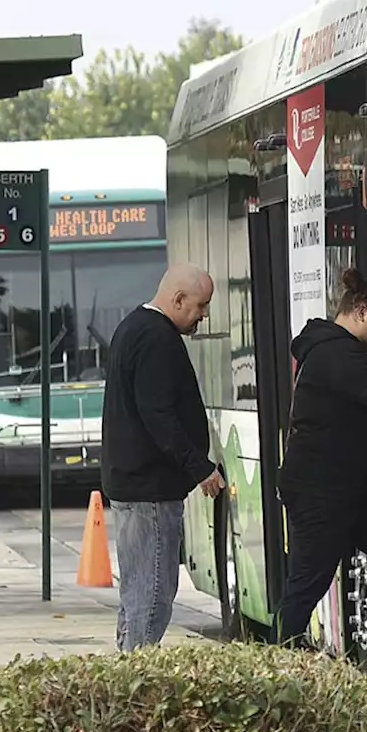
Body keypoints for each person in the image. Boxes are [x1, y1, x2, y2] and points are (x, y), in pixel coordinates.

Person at [276, 267, 367, 662]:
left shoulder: (334, 350)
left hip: (345, 488)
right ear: (362, 310)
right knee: (309, 577)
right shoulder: (338, 354)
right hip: (323, 490)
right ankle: (279, 653)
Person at [101, 262, 225, 652]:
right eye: (200, 306)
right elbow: (159, 415)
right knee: (153, 593)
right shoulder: (157, 337)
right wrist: (199, 466)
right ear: (178, 299)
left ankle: (129, 668)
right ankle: (137, 675)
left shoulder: (133, 328)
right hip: (149, 488)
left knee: (138, 591)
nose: (203, 315)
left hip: (134, 483)